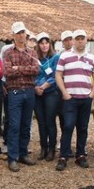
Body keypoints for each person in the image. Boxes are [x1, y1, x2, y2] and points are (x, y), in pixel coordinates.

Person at [55, 29, 94, 170]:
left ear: (86, 40)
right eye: (77, 38)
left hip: (85, 97)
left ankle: (81, 155)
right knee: (68, 126)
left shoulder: (92, 58)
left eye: (83, 38)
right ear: (73, 40)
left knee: (83, 127)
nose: (80, 41)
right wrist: (64, 92)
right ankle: (63, 156)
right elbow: (58, 75)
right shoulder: (65, 56)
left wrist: (92, 94)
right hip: (70, 98)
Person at [3, 22, 40, 172]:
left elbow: (36, 70)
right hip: (15, 92)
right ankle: (12, 157)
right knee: (14, 125)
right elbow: (7, 72)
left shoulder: (32, 52)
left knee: (26, 124)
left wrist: (18, 68)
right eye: (18, 33)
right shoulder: (8, 53)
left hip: (29, 91)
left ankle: (23, 154)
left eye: (23, 32)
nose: (21, 35)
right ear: (13, 35)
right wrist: (26, 69)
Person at [34, 32, 60, 162]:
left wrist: (44, 87)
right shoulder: (34, 58)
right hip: (37, 92)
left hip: (51, 92)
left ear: (50, 44)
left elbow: (55, 75)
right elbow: (32, 74)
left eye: (46, 43)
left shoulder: (55, 57)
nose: (44, 46)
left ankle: (52, 149)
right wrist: (36, 87)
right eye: (42, 43)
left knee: (50, 121)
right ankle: (43, 147)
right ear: (38, 45)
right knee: (41, 121)